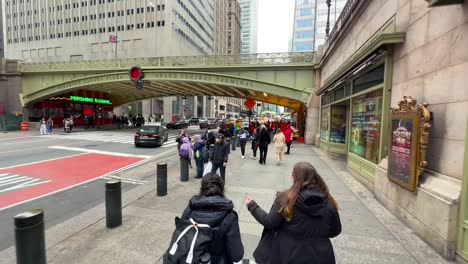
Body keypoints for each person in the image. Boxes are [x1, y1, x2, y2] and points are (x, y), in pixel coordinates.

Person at [245, 162, 342, 264]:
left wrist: (252, 206)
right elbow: (335, 231)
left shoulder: (286, 199)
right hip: (321, 257)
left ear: (296, 178)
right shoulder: (328, 202)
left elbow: (270, 222)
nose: (291, 177)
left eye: (292, 175)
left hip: (289, 254)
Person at [181, 173, 244, 263]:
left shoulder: (190, 209)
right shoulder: (230, 216)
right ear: (222, 189)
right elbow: (237, 255)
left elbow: (182, 237)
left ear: (202, 188)